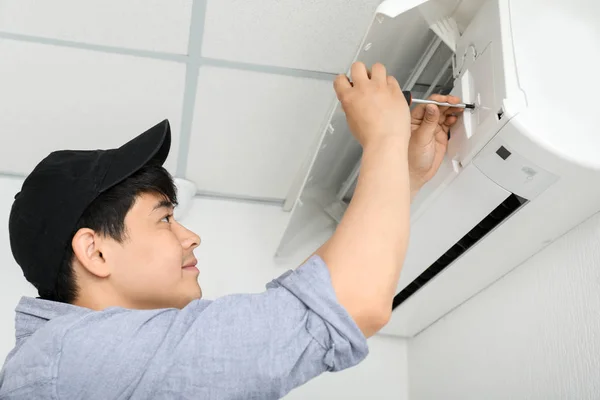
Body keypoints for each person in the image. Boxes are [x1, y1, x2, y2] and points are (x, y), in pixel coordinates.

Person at [0, 62, 462, 399]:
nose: (190, 237)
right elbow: (345, 307)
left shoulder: (78, 364)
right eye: (164, 218)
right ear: (95, 252)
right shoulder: (77, 358)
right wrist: (383, 136)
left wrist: (401, 174)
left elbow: (310, 305)